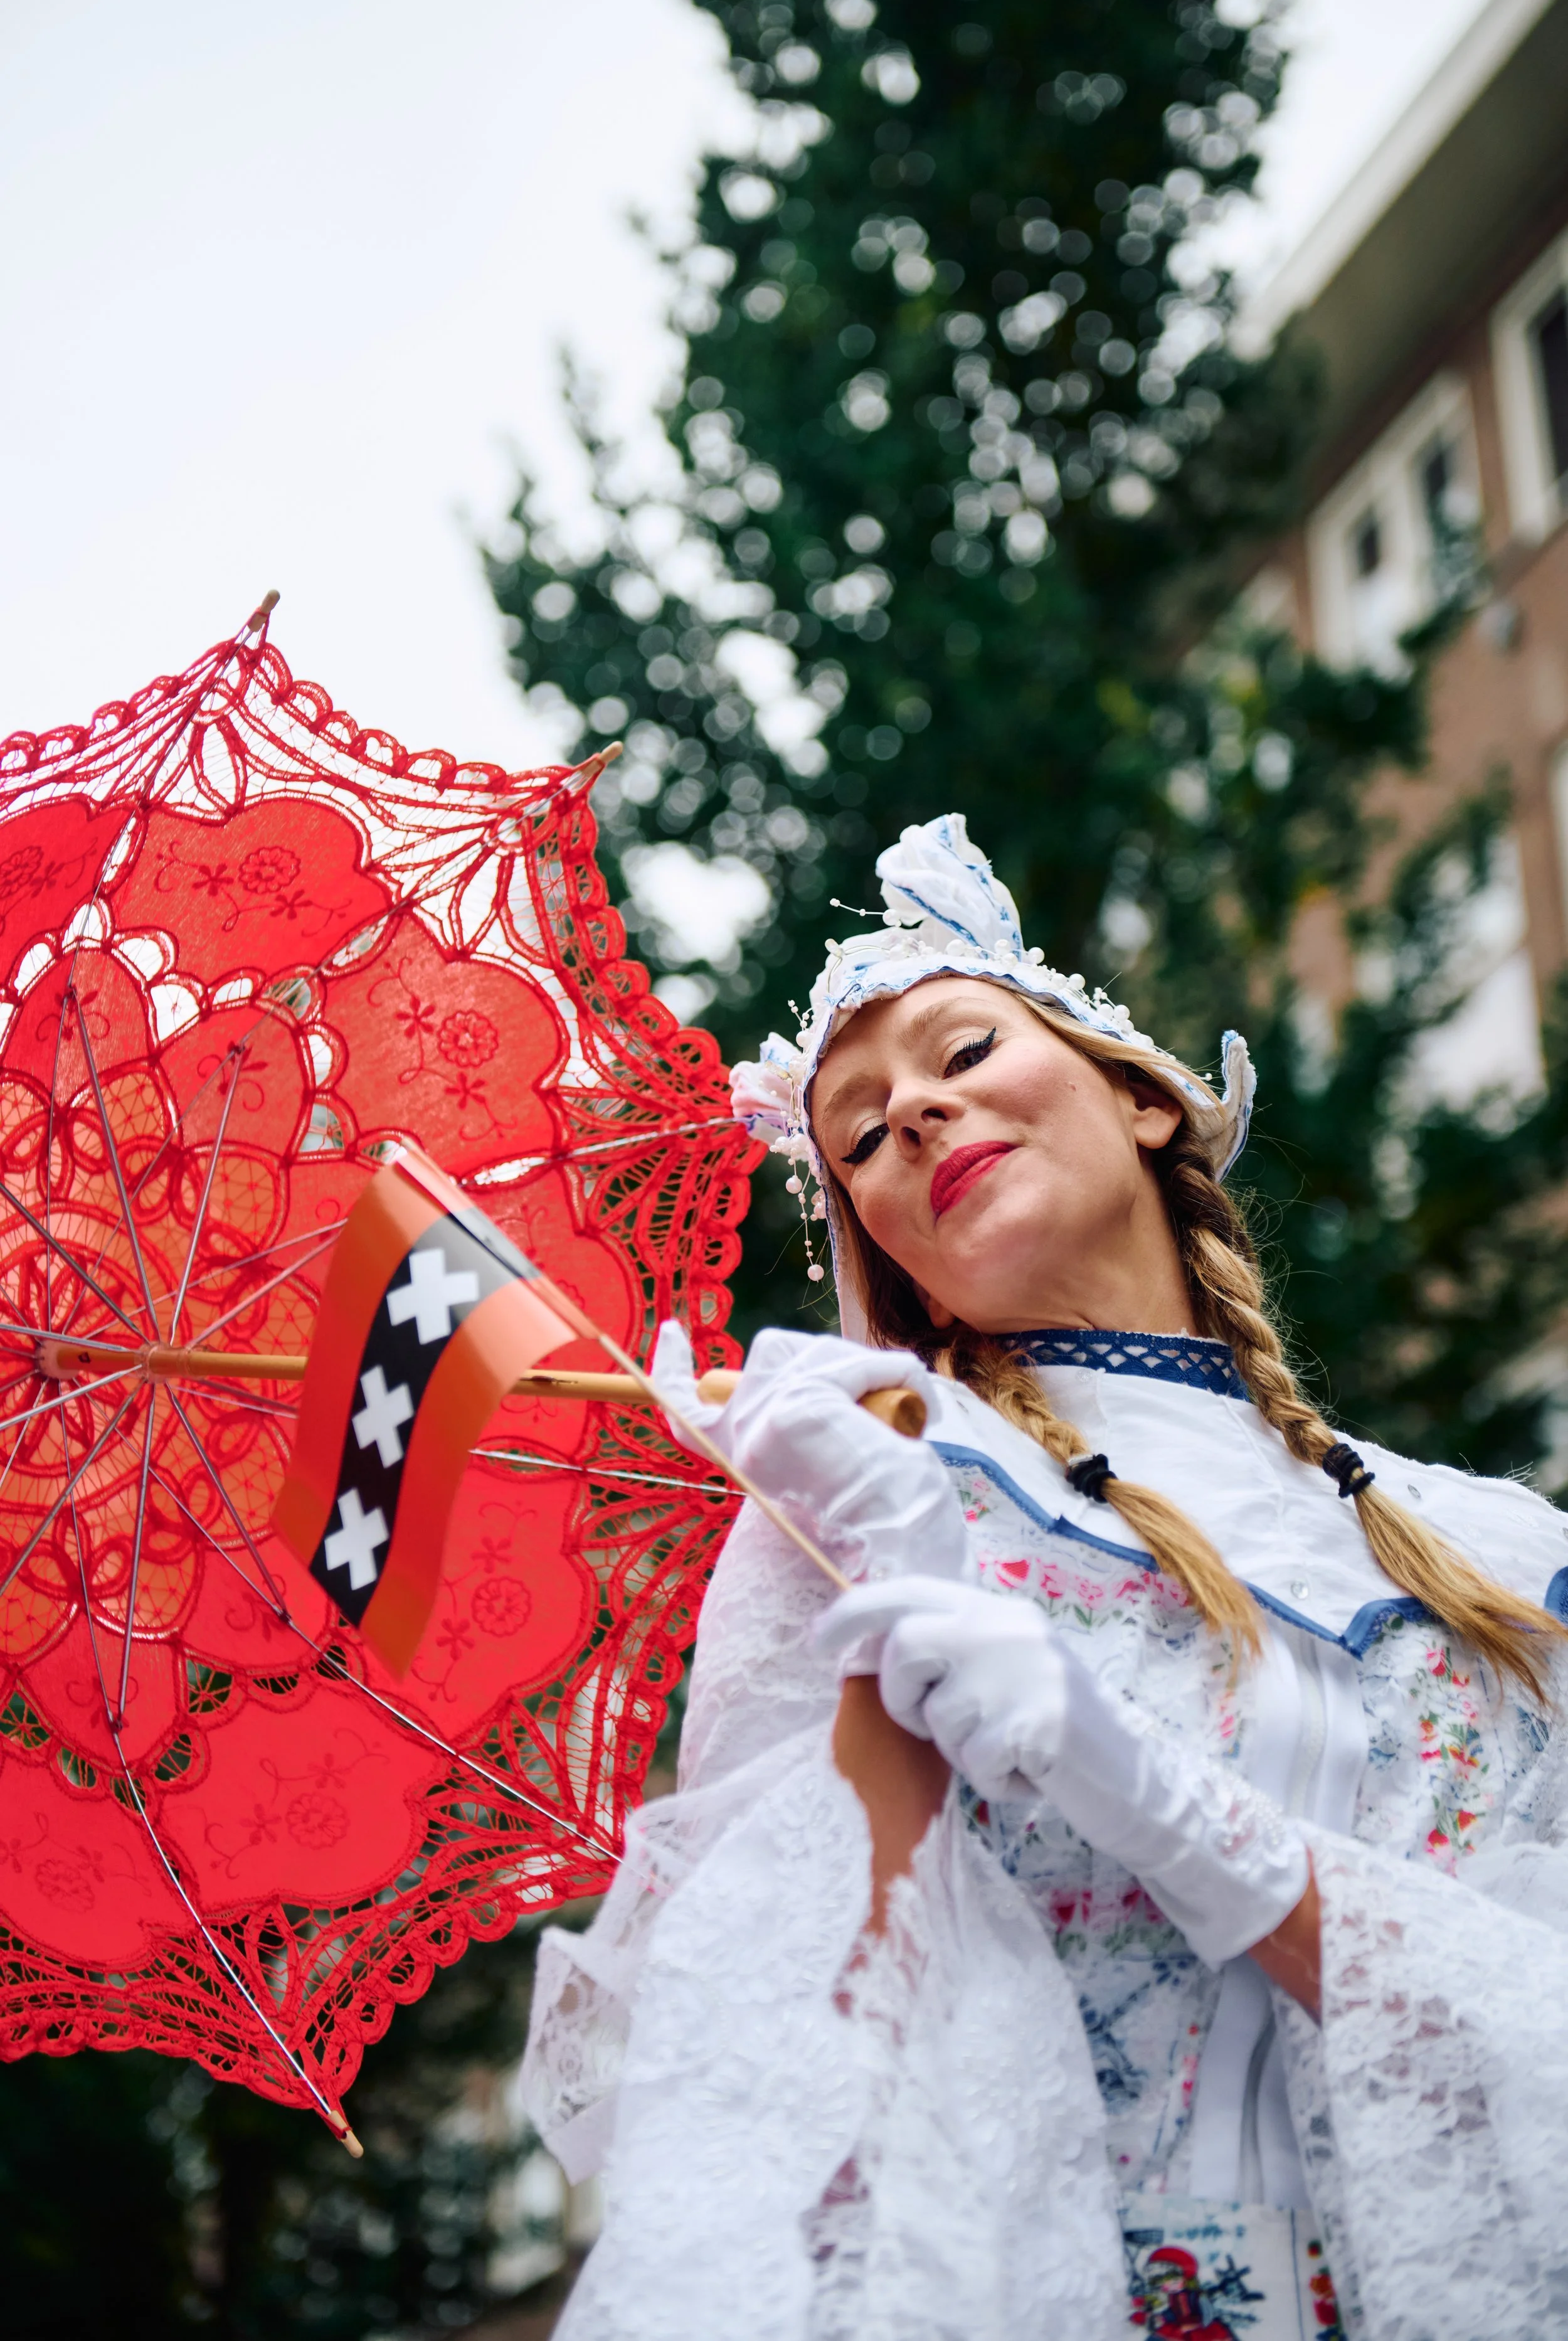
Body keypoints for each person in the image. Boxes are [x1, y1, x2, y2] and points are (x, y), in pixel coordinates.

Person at [522, 815, 1568, 2341]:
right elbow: (803, 2057)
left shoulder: (1493, 1550)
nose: (918, 1118)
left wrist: (1130, 1780)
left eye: (959, 1052)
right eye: (862, 1136)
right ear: (878, 1249)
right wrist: (887, 1701)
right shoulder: (864, 1493)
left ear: (1143, 1100)